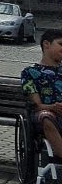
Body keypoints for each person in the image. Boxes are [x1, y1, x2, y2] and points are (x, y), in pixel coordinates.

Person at [21, 29, 62, 161]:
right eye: (61, 44)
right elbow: (36, 105)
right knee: (46, 117)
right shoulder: (30, 72)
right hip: (45, 114)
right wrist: (51, 107)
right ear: (46, 44)